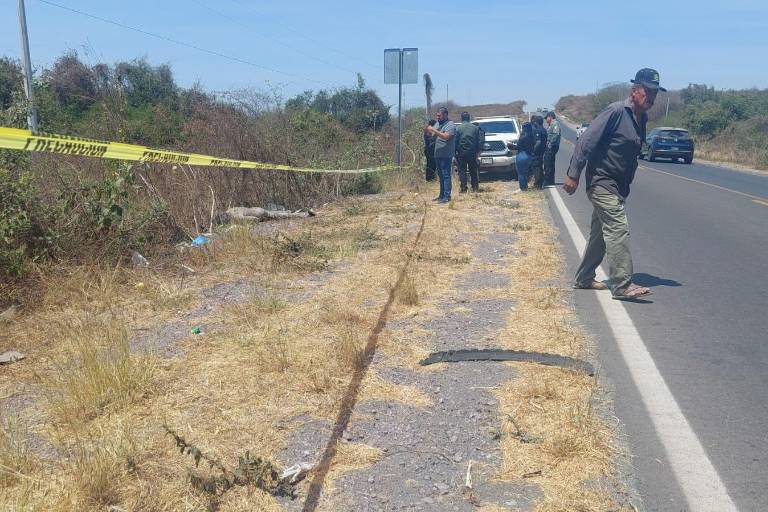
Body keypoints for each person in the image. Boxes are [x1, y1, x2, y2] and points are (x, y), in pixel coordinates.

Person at [563, 68, 665, 300]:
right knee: (618, 228)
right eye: (647, 92)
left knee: (600, 235)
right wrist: (573, 173)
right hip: (602, 182)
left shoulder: (642, 118)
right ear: (634, 90)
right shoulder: (616, 111)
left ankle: (584, 278)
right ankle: (621, 284)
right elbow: (586, 141)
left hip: (618, 187)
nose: (651, 97)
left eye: (654, 94)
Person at [425, 107, 457, 203]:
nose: (437, 117)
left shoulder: (450, 125)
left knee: (446, 175)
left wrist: (434, 131)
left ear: (445, 115)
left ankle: (447, 196)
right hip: (438, 154)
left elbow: (446, 136)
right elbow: (431, 134)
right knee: (441, 175)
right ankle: (441, 195)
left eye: (439, 115)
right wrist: (428, 129)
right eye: (437, 115)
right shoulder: (438, 124)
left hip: (446, 154)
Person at [454, 111, 483, 192]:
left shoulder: (458, 128)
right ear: (469, 118)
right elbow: (478, 141)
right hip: (472, 152)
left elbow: (455, 141)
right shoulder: (475, 128)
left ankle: (463, 188)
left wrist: (454, 152)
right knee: (473, 170)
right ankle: (475, 188)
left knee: (462, 170)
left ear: (462, 118)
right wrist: (478, 152)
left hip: (461, 152)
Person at [515, 121, 534, 191]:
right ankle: (525, 186)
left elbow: (518, 145)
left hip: (522, 155)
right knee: (526, 172)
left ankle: (523, 188)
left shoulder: (523, 136)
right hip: (529, 155)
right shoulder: (532, 135)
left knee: (521, 173)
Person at [543, 111, 561, 186]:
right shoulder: (550, 125)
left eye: (546, 118)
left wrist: (550, 143)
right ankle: (551, 180)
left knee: (548, 163)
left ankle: (548, 180)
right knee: (550, 163)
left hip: (552, 147)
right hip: (550, 146)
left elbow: (556, 135)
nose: (546, 120)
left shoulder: (555, 124)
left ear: (550, 117)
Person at [531, 115, 548, 189]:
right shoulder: (544, 130)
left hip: (537, 151)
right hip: (542, 150)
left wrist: (533, 150)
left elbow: (538, 142)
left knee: (536, 167)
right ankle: (541, 182)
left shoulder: (538, 130)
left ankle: (537, 184)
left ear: (536, 122)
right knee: (540, 166)